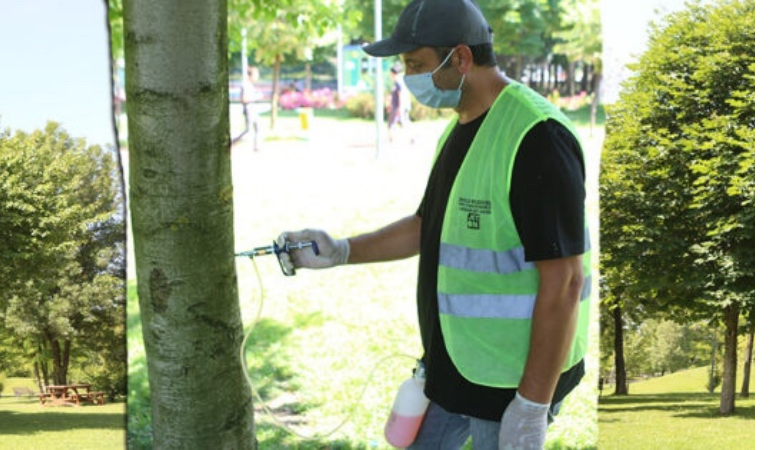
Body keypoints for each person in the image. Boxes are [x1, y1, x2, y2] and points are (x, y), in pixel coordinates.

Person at [278, 0, 592, 448]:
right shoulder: (464, 123)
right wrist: (342, 250)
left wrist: (532, 405)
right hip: (453, 363)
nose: (409, 79)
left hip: (509, 382)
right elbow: (429, 225)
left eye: (415, 64)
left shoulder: (537, 137)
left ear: (460, 58)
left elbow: (565, 281)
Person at [387, 63, 413, 144]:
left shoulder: (398, 80)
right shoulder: (402, 79)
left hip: (399, 106)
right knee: (405, 122)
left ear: (394, 73)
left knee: (394, 123)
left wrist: (399, 107)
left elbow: (400, 94)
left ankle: (392, 139)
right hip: (403, 106)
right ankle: (411, 137)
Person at [241, 66, 260, 151]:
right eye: (255, 75)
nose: (257, 77)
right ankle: (231, 144)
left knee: (258, 128)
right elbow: (244, 99)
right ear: (250, 75)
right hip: (249, 110)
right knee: (248, 131)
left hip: (253, 109)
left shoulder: (251, 85)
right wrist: (256, 97)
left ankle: (256, 147)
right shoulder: (245, 85)